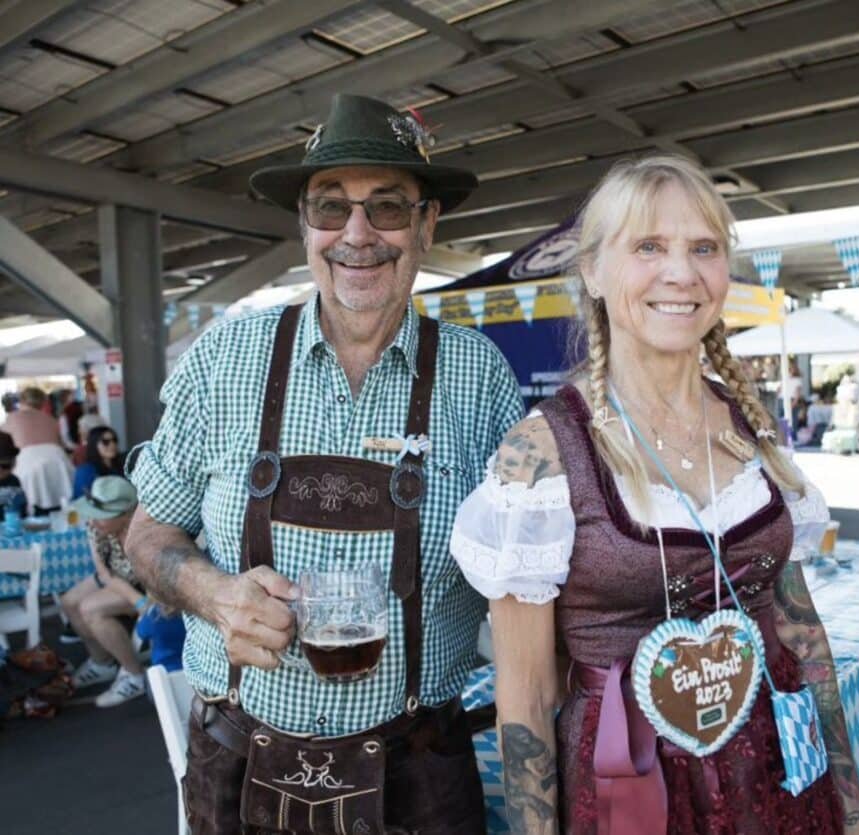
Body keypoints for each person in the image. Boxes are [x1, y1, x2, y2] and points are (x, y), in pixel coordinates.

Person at [125, 94, 522, 835]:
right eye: (330, 207)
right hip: (238, 764)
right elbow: (147, 536)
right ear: (304, 226)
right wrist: (213, 594)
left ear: (429, 223)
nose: (358, 234)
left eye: (389, 207)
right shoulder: (223, 359)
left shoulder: (481, 379)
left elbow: (530, 581)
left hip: (422, 772)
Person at [452, 155, 859, 834]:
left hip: (781, 783)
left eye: (703, 248)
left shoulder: (748, 423)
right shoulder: (543, 456)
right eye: (649, 246)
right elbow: (526, 697)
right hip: (631, 799)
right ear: (592, 268)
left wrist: (850, 812)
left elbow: (801, 633)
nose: (681, 273)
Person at [60, 476, 148, 707]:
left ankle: (134, 675)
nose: (93, 519)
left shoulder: (144, 531)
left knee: (91, 610)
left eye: (101, 515)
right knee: (69, 601)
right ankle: (103, 663)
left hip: (148, 586)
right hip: (114, 576)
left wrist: (141, 602)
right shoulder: (96, 525)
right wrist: (137, 603)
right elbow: (104, 573)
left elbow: (151, 580)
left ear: (126, 515)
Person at [0, 386, 72, 515]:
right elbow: (61, 443)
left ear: (21, 401)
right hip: (57, 459)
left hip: (27, 460)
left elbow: (5, 444)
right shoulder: (50, 419)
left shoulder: (12, 418)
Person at [72, 426, 125, 498]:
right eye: (105, 442)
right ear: (94, 445)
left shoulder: (122, 466)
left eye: (114, 440)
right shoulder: (86, 471)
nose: (112, 445)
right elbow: (81, 500)